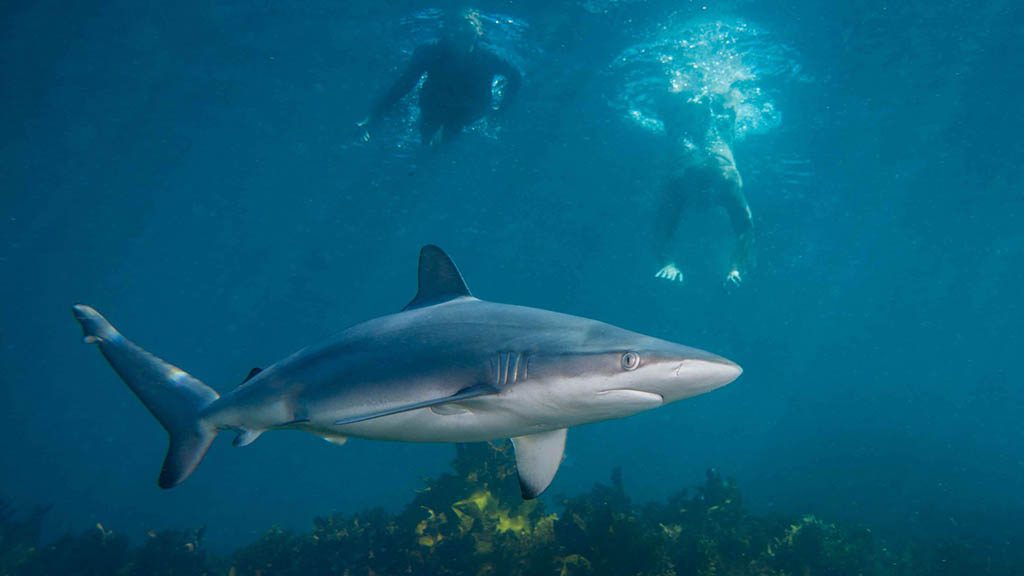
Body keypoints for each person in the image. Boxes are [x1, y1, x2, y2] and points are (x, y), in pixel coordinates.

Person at [357, 11, 522, 147]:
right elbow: (405, 83)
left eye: (466, 30)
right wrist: (376, 113)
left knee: (446, 139)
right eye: (455, 30)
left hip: (470, 107)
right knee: (427, 141)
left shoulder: (491, 57)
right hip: (435, 104)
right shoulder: (430, 52)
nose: (460, 35)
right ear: (446, 34)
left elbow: (515, 78)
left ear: (478, 33)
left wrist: (502, 109)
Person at [652, 90, 755, 288]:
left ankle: (712, 97)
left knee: (682, 121)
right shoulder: (679, 185)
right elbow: (661, 226)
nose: (703, 197)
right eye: (701, 192)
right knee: (683, 121)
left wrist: (736, 268)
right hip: (688, 154)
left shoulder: (727, 183)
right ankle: (719, 96)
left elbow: (746, 228)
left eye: (704, 192)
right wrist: (667, 263)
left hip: (693, 148)